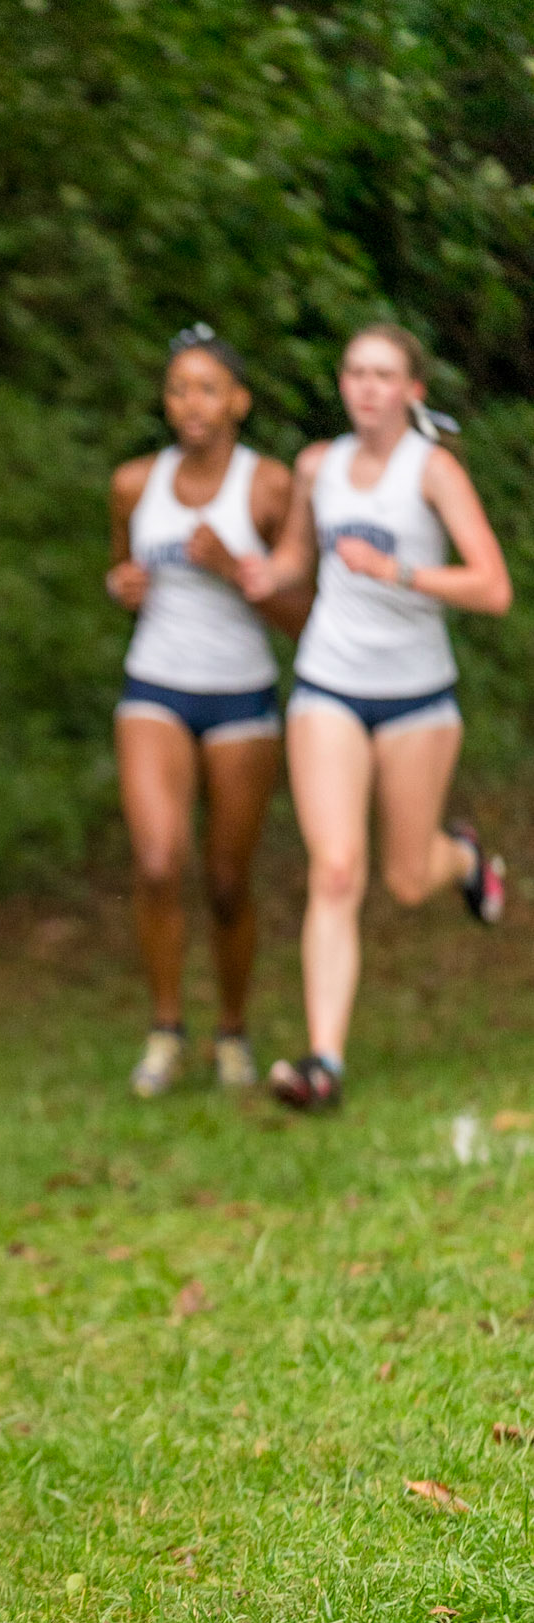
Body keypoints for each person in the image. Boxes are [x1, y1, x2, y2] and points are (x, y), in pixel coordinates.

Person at [239, 323, 511, 1110]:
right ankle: (322, 1061)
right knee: (334, 870)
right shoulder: (316, 466)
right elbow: (299, 556)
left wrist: (397, 571)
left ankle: (463, 860)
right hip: (327, 684)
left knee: (406, 878)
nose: (365, 386)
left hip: (417, 697)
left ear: (411, 391)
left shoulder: (433, 471)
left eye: (382, 374)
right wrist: (263, 573)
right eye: (354, 372)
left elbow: (491, 587)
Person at [106, 324, 307, 1097]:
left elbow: (303, 616)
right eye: (178, 389)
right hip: (153, 687)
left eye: (208, 389)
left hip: (240, 694)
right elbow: (123, 575)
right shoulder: (134, 484)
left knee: (226, 881)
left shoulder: (268, 487)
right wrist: (121, 588)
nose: (192, 403)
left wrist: (234, 570)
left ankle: (231, 1031)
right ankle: (164, 1031)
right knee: (158, 863)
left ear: (238, 402)